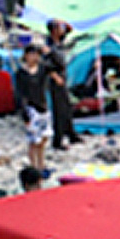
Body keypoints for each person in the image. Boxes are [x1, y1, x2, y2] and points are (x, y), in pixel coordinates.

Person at [43, 20, 81, 151]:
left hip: (63, 77)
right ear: (54, 31)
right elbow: (47, 65)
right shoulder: (48, 45)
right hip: (55, 80)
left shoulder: (60, 42)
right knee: (59, 110)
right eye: (59, 28)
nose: (62, 29)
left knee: (67, 106)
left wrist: (63, 22)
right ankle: (57, 141)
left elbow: (71, 31)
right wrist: (56, 77)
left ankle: (71, 134)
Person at [14, 45, 52, 171]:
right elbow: (19, 94)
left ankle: (41, 164)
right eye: (31, 54)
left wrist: (48, 52)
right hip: (31, 108)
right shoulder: (21, 73)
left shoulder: (42, 69)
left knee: (44, 138)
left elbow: (57, 65)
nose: (34, 57)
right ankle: (34, 165)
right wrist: (24, 112)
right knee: (34, 140)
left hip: (43, 105)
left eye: (36, 54)